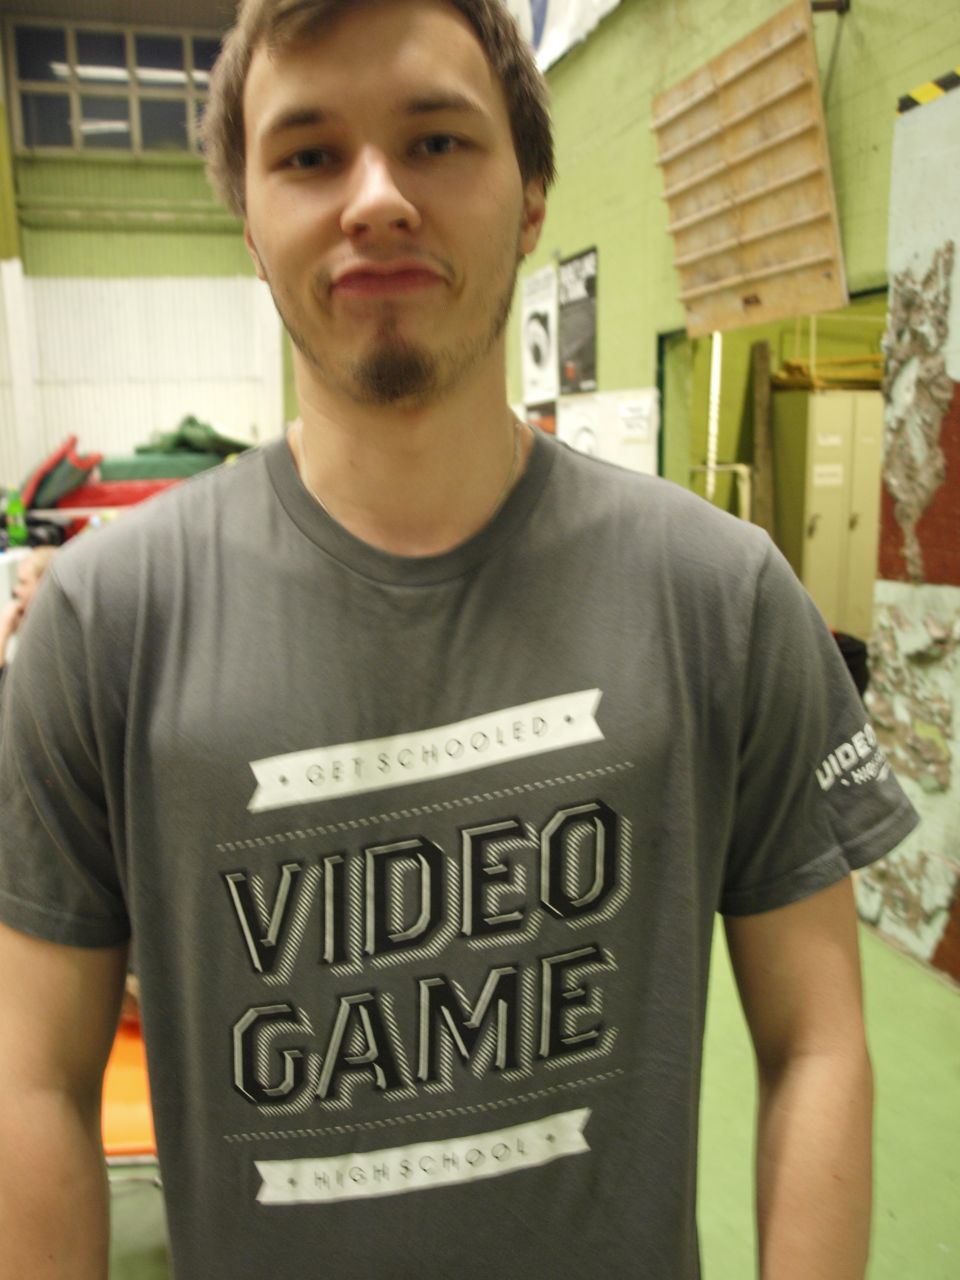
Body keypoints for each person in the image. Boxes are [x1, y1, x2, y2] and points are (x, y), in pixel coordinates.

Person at [0, 2, 918, 1277]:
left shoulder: (720, 597)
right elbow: (35, 1081)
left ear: (533, 195)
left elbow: (816, 1042)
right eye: (309, 154)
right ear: (250, 220)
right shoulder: (106, 627)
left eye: (436, 140)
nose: (376, 198)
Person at [0, 546, 56, 680]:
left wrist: (4, 630)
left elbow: (8, 689)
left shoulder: (49, 641)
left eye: (23, 582)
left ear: (44, 586)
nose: (16, 590)